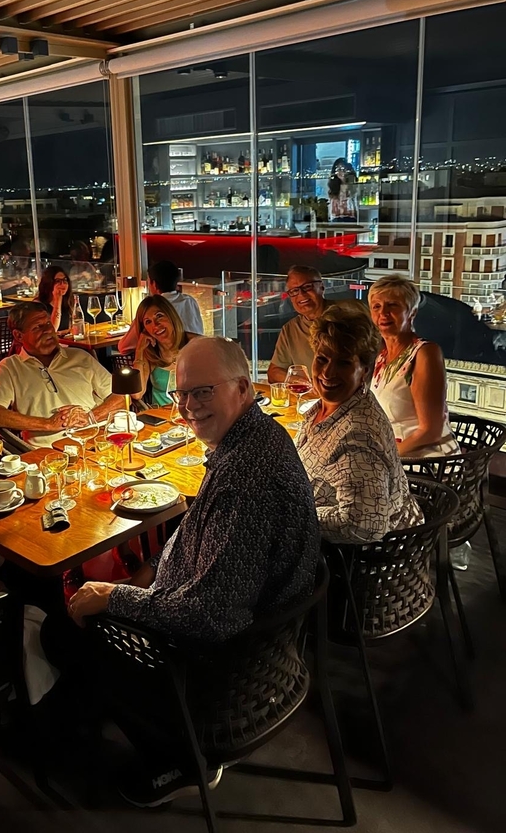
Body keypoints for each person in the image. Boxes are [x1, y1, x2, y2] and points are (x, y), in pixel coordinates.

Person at [66, 336, 319, 804]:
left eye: (203, 392)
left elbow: (210, 616)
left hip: (224, 671)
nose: (187, 406)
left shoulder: (245, 479)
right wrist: (146, 575)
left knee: (68, 636)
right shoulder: (257, 437)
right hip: (270, 652)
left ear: (243, 388)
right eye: (182, 393)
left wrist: (115, 598)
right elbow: (197, 536)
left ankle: (179, 757)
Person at [296, 305, 422, 544]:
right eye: (322, 359)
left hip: (364, 566)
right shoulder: (331, 407)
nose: (328, 372)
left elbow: (363, 525)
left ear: (364, 370)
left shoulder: (357, 435)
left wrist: (293, 514)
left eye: (343, 363)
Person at [0, 301, 124, 448]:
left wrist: (90, 418)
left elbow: (121, 396)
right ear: (18, 336)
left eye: (48, 324)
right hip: (48, 454)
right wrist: (48, 424)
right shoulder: (10, 368)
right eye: (37, 327)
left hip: (95, 443)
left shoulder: (79, 356)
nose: (48, 331)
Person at [368, 275, 459, 458]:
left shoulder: (424, 353)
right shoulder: (381, 356)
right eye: (376, 306)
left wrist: (386, 458)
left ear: (412, 312)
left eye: (392, 305)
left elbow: (430, 431)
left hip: (426, 460)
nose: (383, 313)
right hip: (393, 450)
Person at [117, 259, 204, 353]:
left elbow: (123, 347)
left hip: (169, 362)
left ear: (154, 284)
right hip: (196, 353)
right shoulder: (190, 301)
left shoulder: (152, 309)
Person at [131, 295, 196, 405]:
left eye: (159, 316)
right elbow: (137, 394)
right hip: (162, 419)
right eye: (148, 322)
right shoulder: (150, 353)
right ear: (144, 330)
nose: (155, 325)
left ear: (171, 316)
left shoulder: (195, 344)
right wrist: (139, 351)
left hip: (194, 414)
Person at [267, 265, 329, 383]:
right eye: (294, 291)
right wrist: (305, 383)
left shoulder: (346, 315)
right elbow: (273, 373)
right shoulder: (290, 329)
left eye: (307, 287)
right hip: (313, 398)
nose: (301, 294)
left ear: (321, 287)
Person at [37, 265, 73, 333]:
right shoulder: (39, 305)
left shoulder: (67, 300)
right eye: (58, 281)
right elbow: (52, 331)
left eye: (65, 280)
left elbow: (72, 327)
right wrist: (58, 299)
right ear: (48, 284)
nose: (63, 284)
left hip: (64, 342)